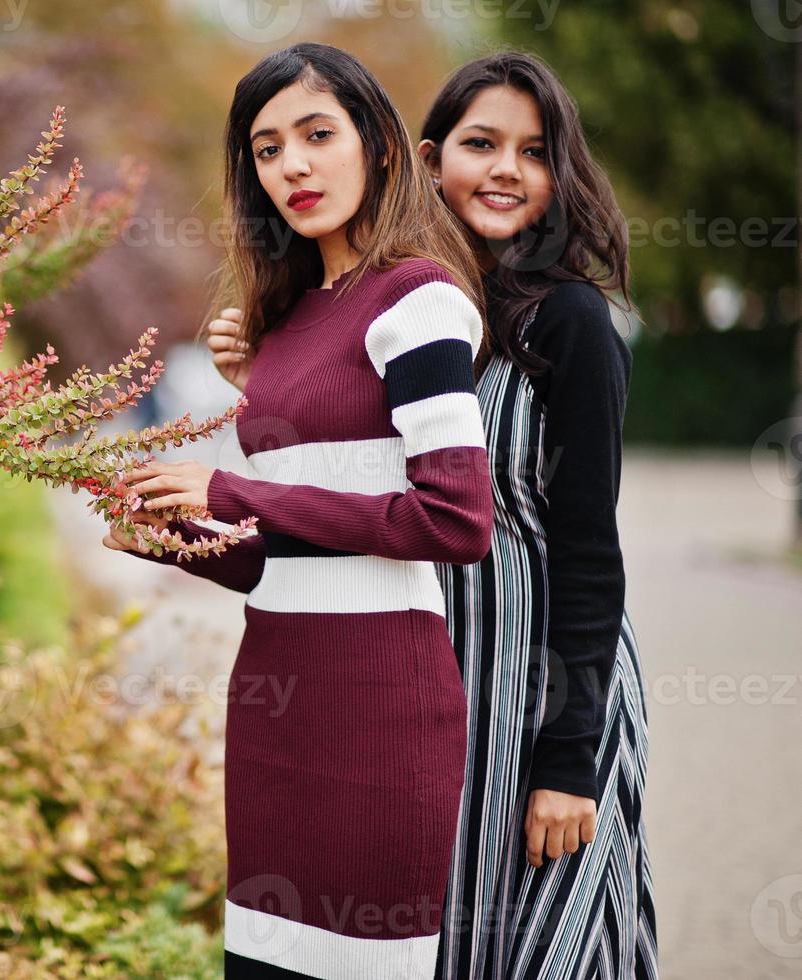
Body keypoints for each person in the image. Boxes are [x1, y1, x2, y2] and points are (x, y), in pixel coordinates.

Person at [103, 42, 493, 978]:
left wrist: (227, 488)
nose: (293, 166)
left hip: (377, 706)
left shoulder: (419, 302)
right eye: (267, 149)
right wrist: (181, 537)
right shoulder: (279, 331)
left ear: (382, 149)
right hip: (276, 702)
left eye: (317, 135)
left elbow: (453, 521)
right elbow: (279, 550)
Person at [413, 51, 657, 979]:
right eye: (482, 144)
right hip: (439, 696)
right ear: (432, 160)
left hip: (546, 697)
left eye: (534, 150)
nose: (506, 169)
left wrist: (568, 760)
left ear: (559, 176)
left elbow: (591, 553)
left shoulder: (570, 325)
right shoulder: (404, 317)